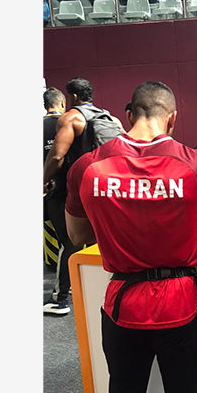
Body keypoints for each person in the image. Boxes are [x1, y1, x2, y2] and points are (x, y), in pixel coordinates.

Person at [65, 81, 197, 393]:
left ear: (128, 115)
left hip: (122, 303)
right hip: (180, 302)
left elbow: (77, 235)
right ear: (172, 118)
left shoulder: (87, 166)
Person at [42, 77, 123, 315]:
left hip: (76, 190)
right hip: (107, 188)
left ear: (73, 97)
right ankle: (98, 289)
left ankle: (60, 300)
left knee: (70, 241)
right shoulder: (111, 119)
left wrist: (42, 179)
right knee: (100, 239)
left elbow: (57, 156)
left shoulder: (71, 118)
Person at [42, 86, 76, 314]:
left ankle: (59, 297)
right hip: (74, 189)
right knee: (74, 241)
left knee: (67, 242)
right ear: (63, 103)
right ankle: (68, 287)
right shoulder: (71, 124)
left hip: (52, 191)